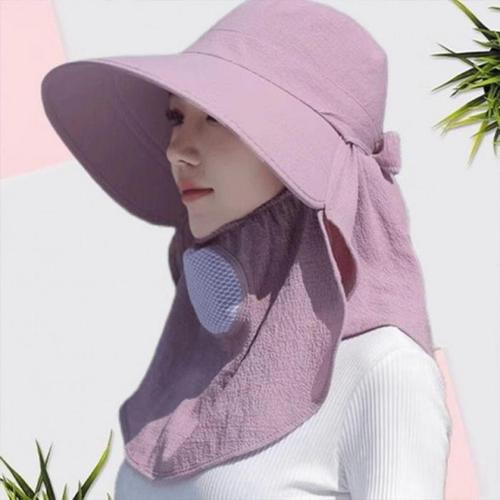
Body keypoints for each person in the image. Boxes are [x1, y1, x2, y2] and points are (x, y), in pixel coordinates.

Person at [40, 1, 452, 498]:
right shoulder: (194, 366)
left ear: (303, 150)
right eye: (176, 117)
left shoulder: (381, 370)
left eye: (215, 116)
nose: (176, 149)